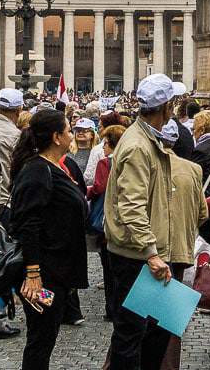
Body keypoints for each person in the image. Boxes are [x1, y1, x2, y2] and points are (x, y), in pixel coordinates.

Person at [103, 73, 205, 370]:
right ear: (167, 106)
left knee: (159, 332)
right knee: (132, 333)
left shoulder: (148, 139)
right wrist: (151, 253)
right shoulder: (138, 145)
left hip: (154, 253)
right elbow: (131, 206)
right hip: (139, 257)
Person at [10, 107, 89, 370]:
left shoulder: (53, 167)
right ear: (56, 137)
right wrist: (33, 272)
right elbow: (27, 223)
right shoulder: (37, 171)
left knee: (46, 335)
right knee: (41, 337)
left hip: (56, 270)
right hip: (43, 275)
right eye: (68, 130)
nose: (72, 134)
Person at [89, 123, 125, 323]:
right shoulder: (131, 160)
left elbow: (99, 188)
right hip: (126, 221)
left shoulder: (106, 163)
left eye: (105, 143)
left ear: (112, 144)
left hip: (108, 221)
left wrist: (86, 192)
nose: (103, 147)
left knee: (109, 269)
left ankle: (111, 309)